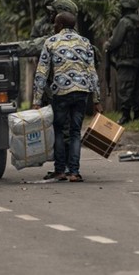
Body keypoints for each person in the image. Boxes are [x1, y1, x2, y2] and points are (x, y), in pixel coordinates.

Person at [33, 12, 102, 182]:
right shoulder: (85, 42)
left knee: (58, 130)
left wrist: (36, 100)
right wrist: (96, 100)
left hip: (61, 92)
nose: (54, 26)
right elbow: (92, 72)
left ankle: (60, 170)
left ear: (61, 25)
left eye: (56, 24)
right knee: (75, 132)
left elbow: (41, 72)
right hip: (82, 91)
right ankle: (74, 172)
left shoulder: (51, 42)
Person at [104, 0, 139, 124]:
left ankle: (126, 115)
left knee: (125, 88)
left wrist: (107, 45)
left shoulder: (124, 22)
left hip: (126, 61)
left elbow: (115, 41)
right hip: (138, 61)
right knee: (136, 88)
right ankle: (137, 114)